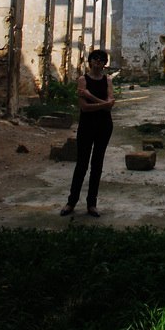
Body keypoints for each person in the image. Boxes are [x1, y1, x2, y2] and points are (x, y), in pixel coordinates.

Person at [60, 49, 115, 218]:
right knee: (82, 164)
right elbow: (84, 107)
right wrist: (103, 104)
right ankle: (71, 202)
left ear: (105, 63)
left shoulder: (108, 81)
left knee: (97, 165)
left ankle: (92, 204)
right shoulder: (83, 80)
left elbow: (110, 104)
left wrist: (91, 96)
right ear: (90, 61)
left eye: (102, 59)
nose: (98, 62)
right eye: (95, 59)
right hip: (87, 125)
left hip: (104, 126)